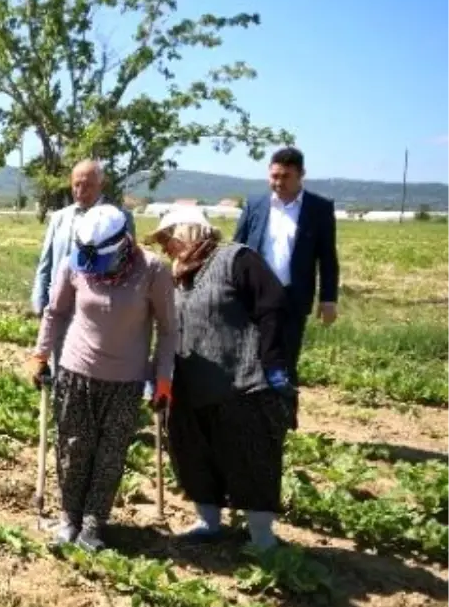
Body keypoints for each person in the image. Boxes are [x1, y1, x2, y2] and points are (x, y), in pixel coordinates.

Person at [24, 204, 177, 552]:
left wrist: (163, 379)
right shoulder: (74, 264)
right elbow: (55, 312)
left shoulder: (153, 271)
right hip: (76, 372)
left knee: (109, 454)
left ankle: (93, 525)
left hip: (125, 382)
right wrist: (40, 353)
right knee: (73, 448)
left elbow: (168, 332)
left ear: (124, 244)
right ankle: (68, 519)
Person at [146, 207, 295, 551]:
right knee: (194, 455)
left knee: (251, 460)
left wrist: (273, 360)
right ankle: (208, 522)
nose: (165, 247)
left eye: (168, 238)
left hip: (240, 383)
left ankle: (262, 539)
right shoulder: (176, 275)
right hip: (190, 385)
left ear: (188, 231)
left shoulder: (236, 259)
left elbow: (272, 306)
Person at [233, 147, 339, 393]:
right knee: (248, 357)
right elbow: (236, 249)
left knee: (285, 362)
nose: (278, 182)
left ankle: (281, 419)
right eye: (274, 176)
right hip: (252, 297)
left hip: (292, 297)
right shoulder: (255, 205)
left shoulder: (319, 209)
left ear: (301, 174)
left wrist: (328, 299)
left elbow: (327, 257)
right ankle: (250, 419)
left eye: (285, 176)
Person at [30, 160, 136, 321]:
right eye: (76, 185)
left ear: (101, 185)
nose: (80, 191)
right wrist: (39, 302)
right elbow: (46, 263)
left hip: (98, 310)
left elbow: (128, 265)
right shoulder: (59, 218)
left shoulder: (120, 218)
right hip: (58, 306)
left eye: (88, 185)